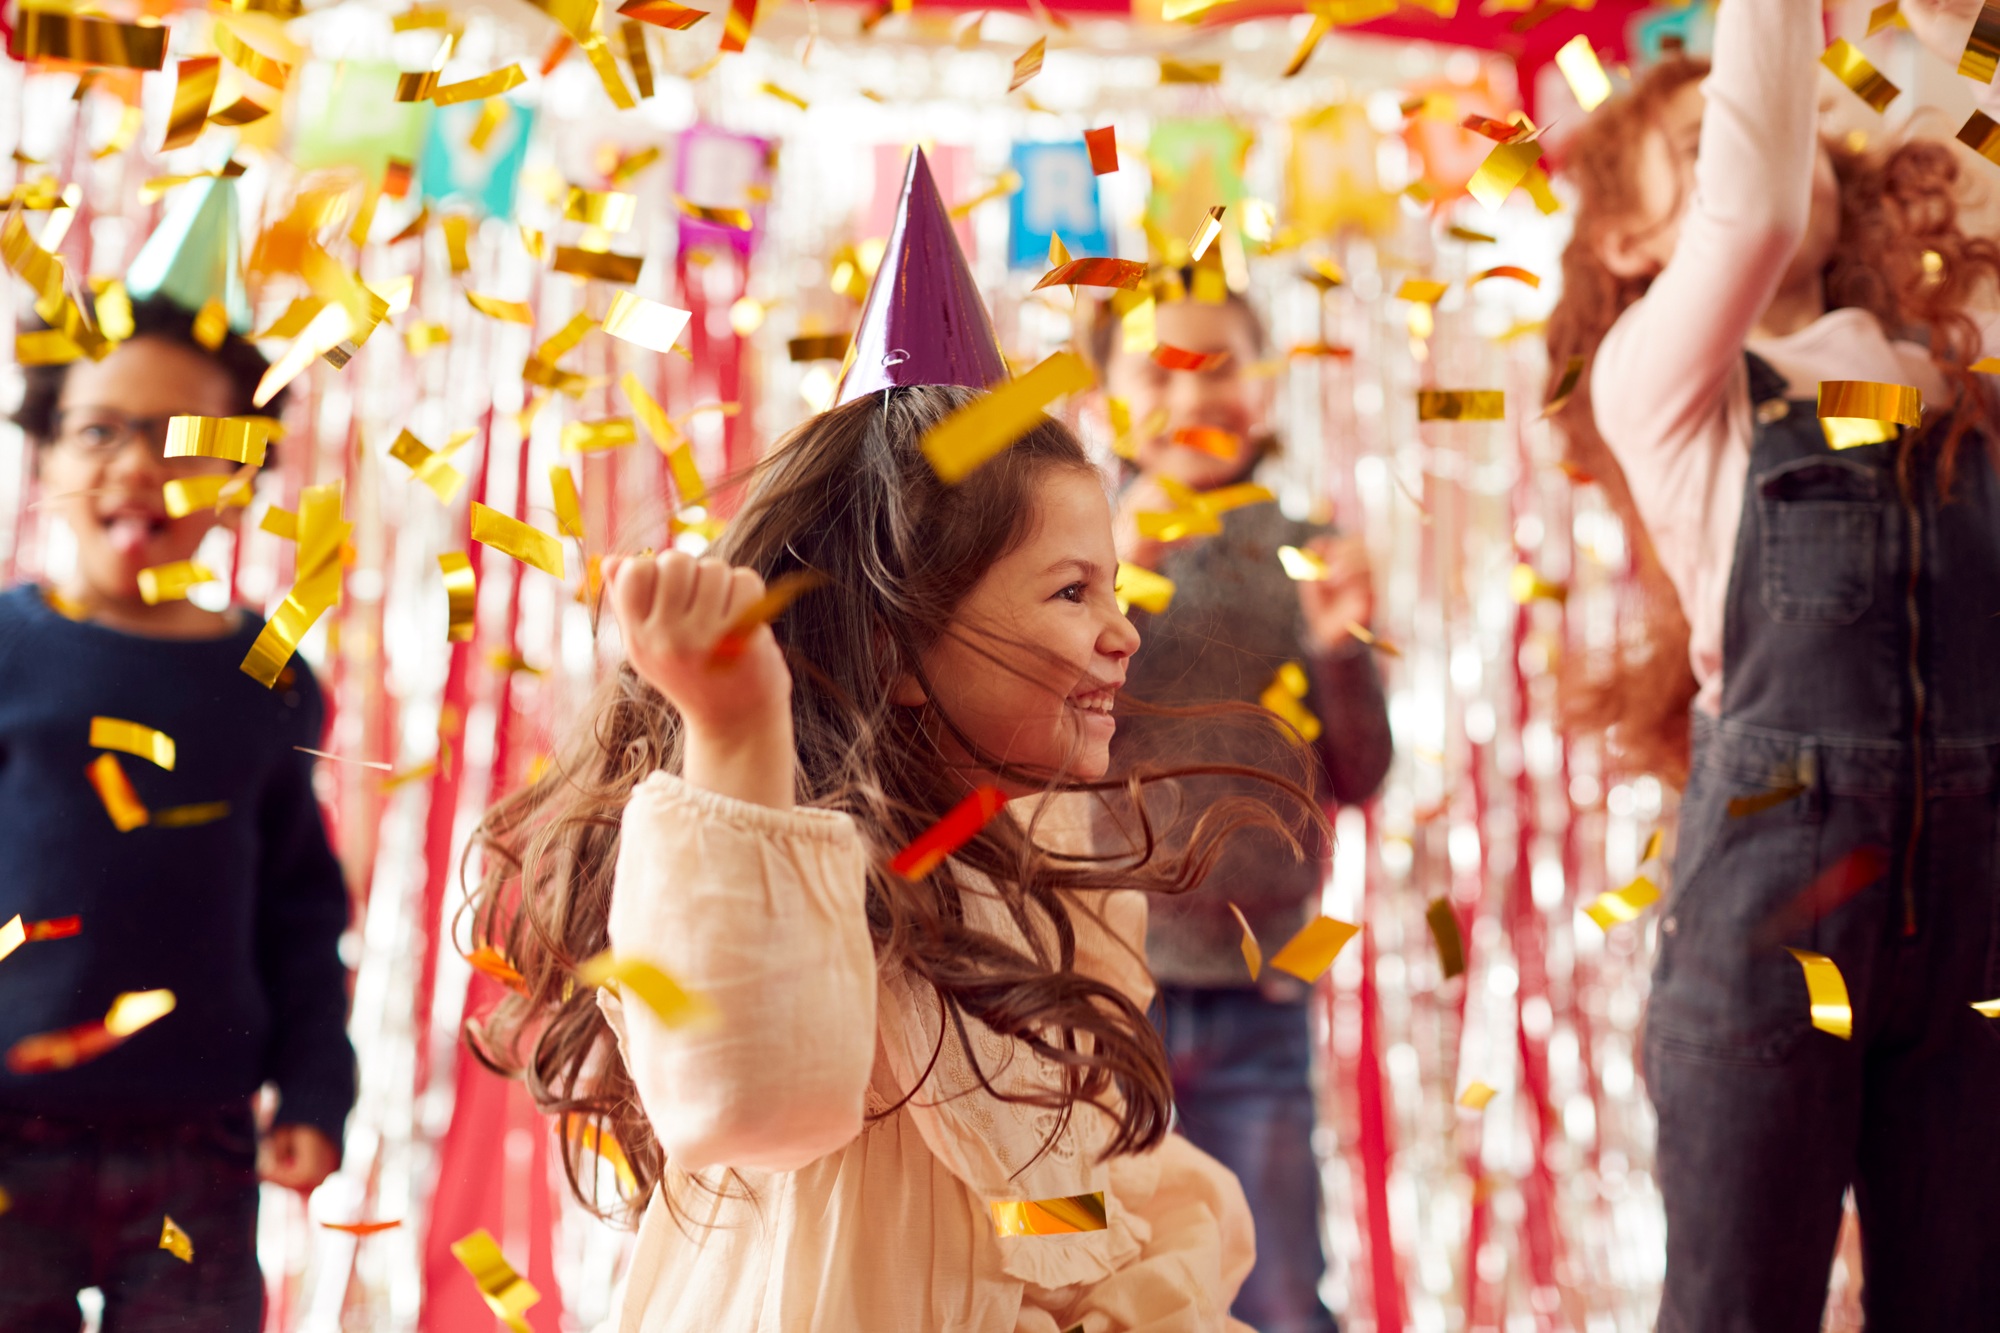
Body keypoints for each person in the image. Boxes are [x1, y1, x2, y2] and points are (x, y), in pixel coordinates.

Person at [465, 150, 1329, 1332]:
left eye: (1114, 586)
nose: (1123, 631)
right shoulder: (803, 872)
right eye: (1071, 592)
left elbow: (1068, 1192)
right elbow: (752, 1088)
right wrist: (735, 727)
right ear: (902, 643)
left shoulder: (1048, 867)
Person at [1547, 0, 2000, 1325]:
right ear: (1632, 244)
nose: (1767, 137)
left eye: (1792, 115)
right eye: (1714, 139)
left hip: (1973, 917)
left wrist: (1944, 29)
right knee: (1742, 1309)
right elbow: (1744, 218)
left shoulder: (1946, 366)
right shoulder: (1667, 385)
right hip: (1772, 918)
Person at [0, 297, 356, 1330]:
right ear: (47, 448)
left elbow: (300, 904)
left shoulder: (267, 674)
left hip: (196, 1147)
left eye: (183, 440)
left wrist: (313, 1087)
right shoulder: (10, 650)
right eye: (100, 428)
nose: (137, 465)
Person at [1084, 282, 1393, 1333]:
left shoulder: (1309, 549)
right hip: (1105, 991)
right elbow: (1037, 752)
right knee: (1109, 1269)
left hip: (1260, 986)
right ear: (1106, 395)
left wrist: (1336, 650)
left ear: (1263, 385)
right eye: (1157, 370)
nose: (1191, 392)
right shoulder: (1075, 557)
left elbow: (1360, 771)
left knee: (1273, 1283)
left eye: (1219, 364)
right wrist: (1108, 584)